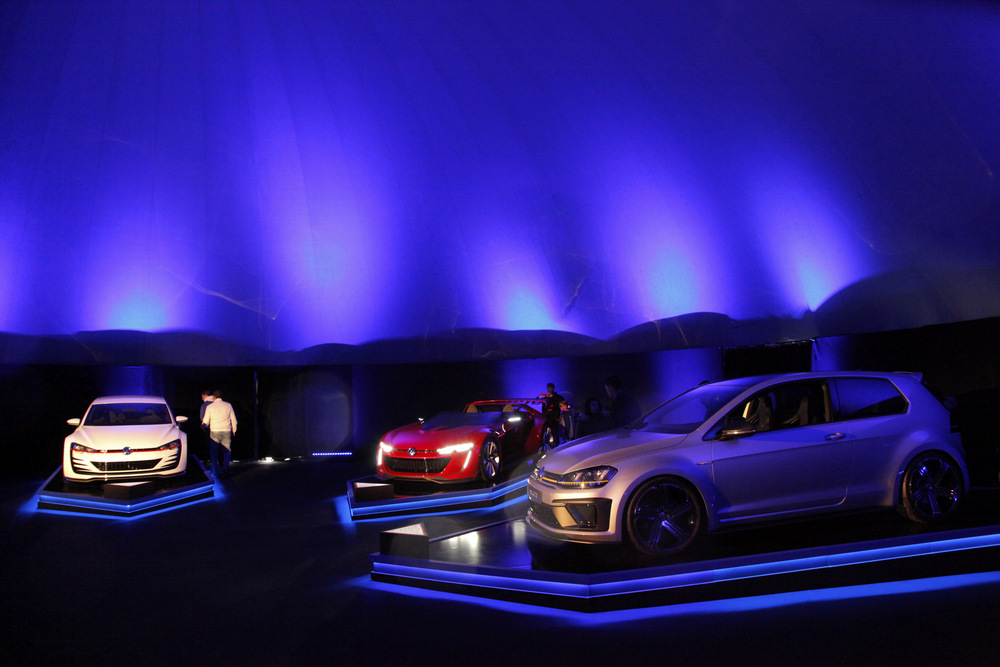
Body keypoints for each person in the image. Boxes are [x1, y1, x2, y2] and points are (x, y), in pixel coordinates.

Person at [202, 390, 237, 478]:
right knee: (226, 451)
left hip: (214, 431)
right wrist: (234, 430)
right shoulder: (228, 405)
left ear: (214, 397)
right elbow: (233, 419)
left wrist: (204, 425)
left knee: (214, 452)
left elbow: (206, 421)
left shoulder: (210, 407)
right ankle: (225, 469)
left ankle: (215, 471)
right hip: (226, 430)